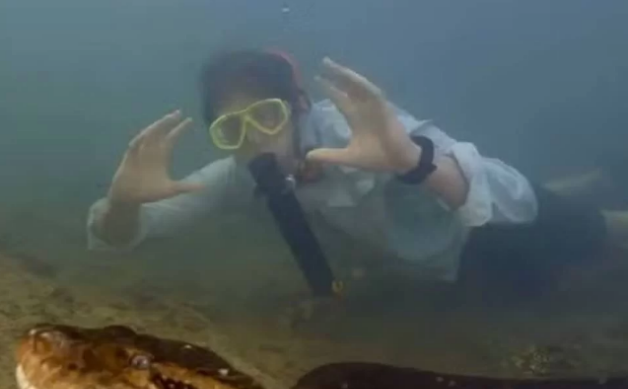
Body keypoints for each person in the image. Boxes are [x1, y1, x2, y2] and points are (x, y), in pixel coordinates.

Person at [87, 48, 621, 305]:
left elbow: (499, 191)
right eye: (232, 129)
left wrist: (412, 160)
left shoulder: (353, 131)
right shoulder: (239, 174)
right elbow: (122, 236)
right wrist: (123, 204)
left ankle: (591, 196)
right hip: (442, 270)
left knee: (596, 234)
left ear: (297, 106)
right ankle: (581, 179)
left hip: (495, 228)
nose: (256, 141)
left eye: (267, 116)